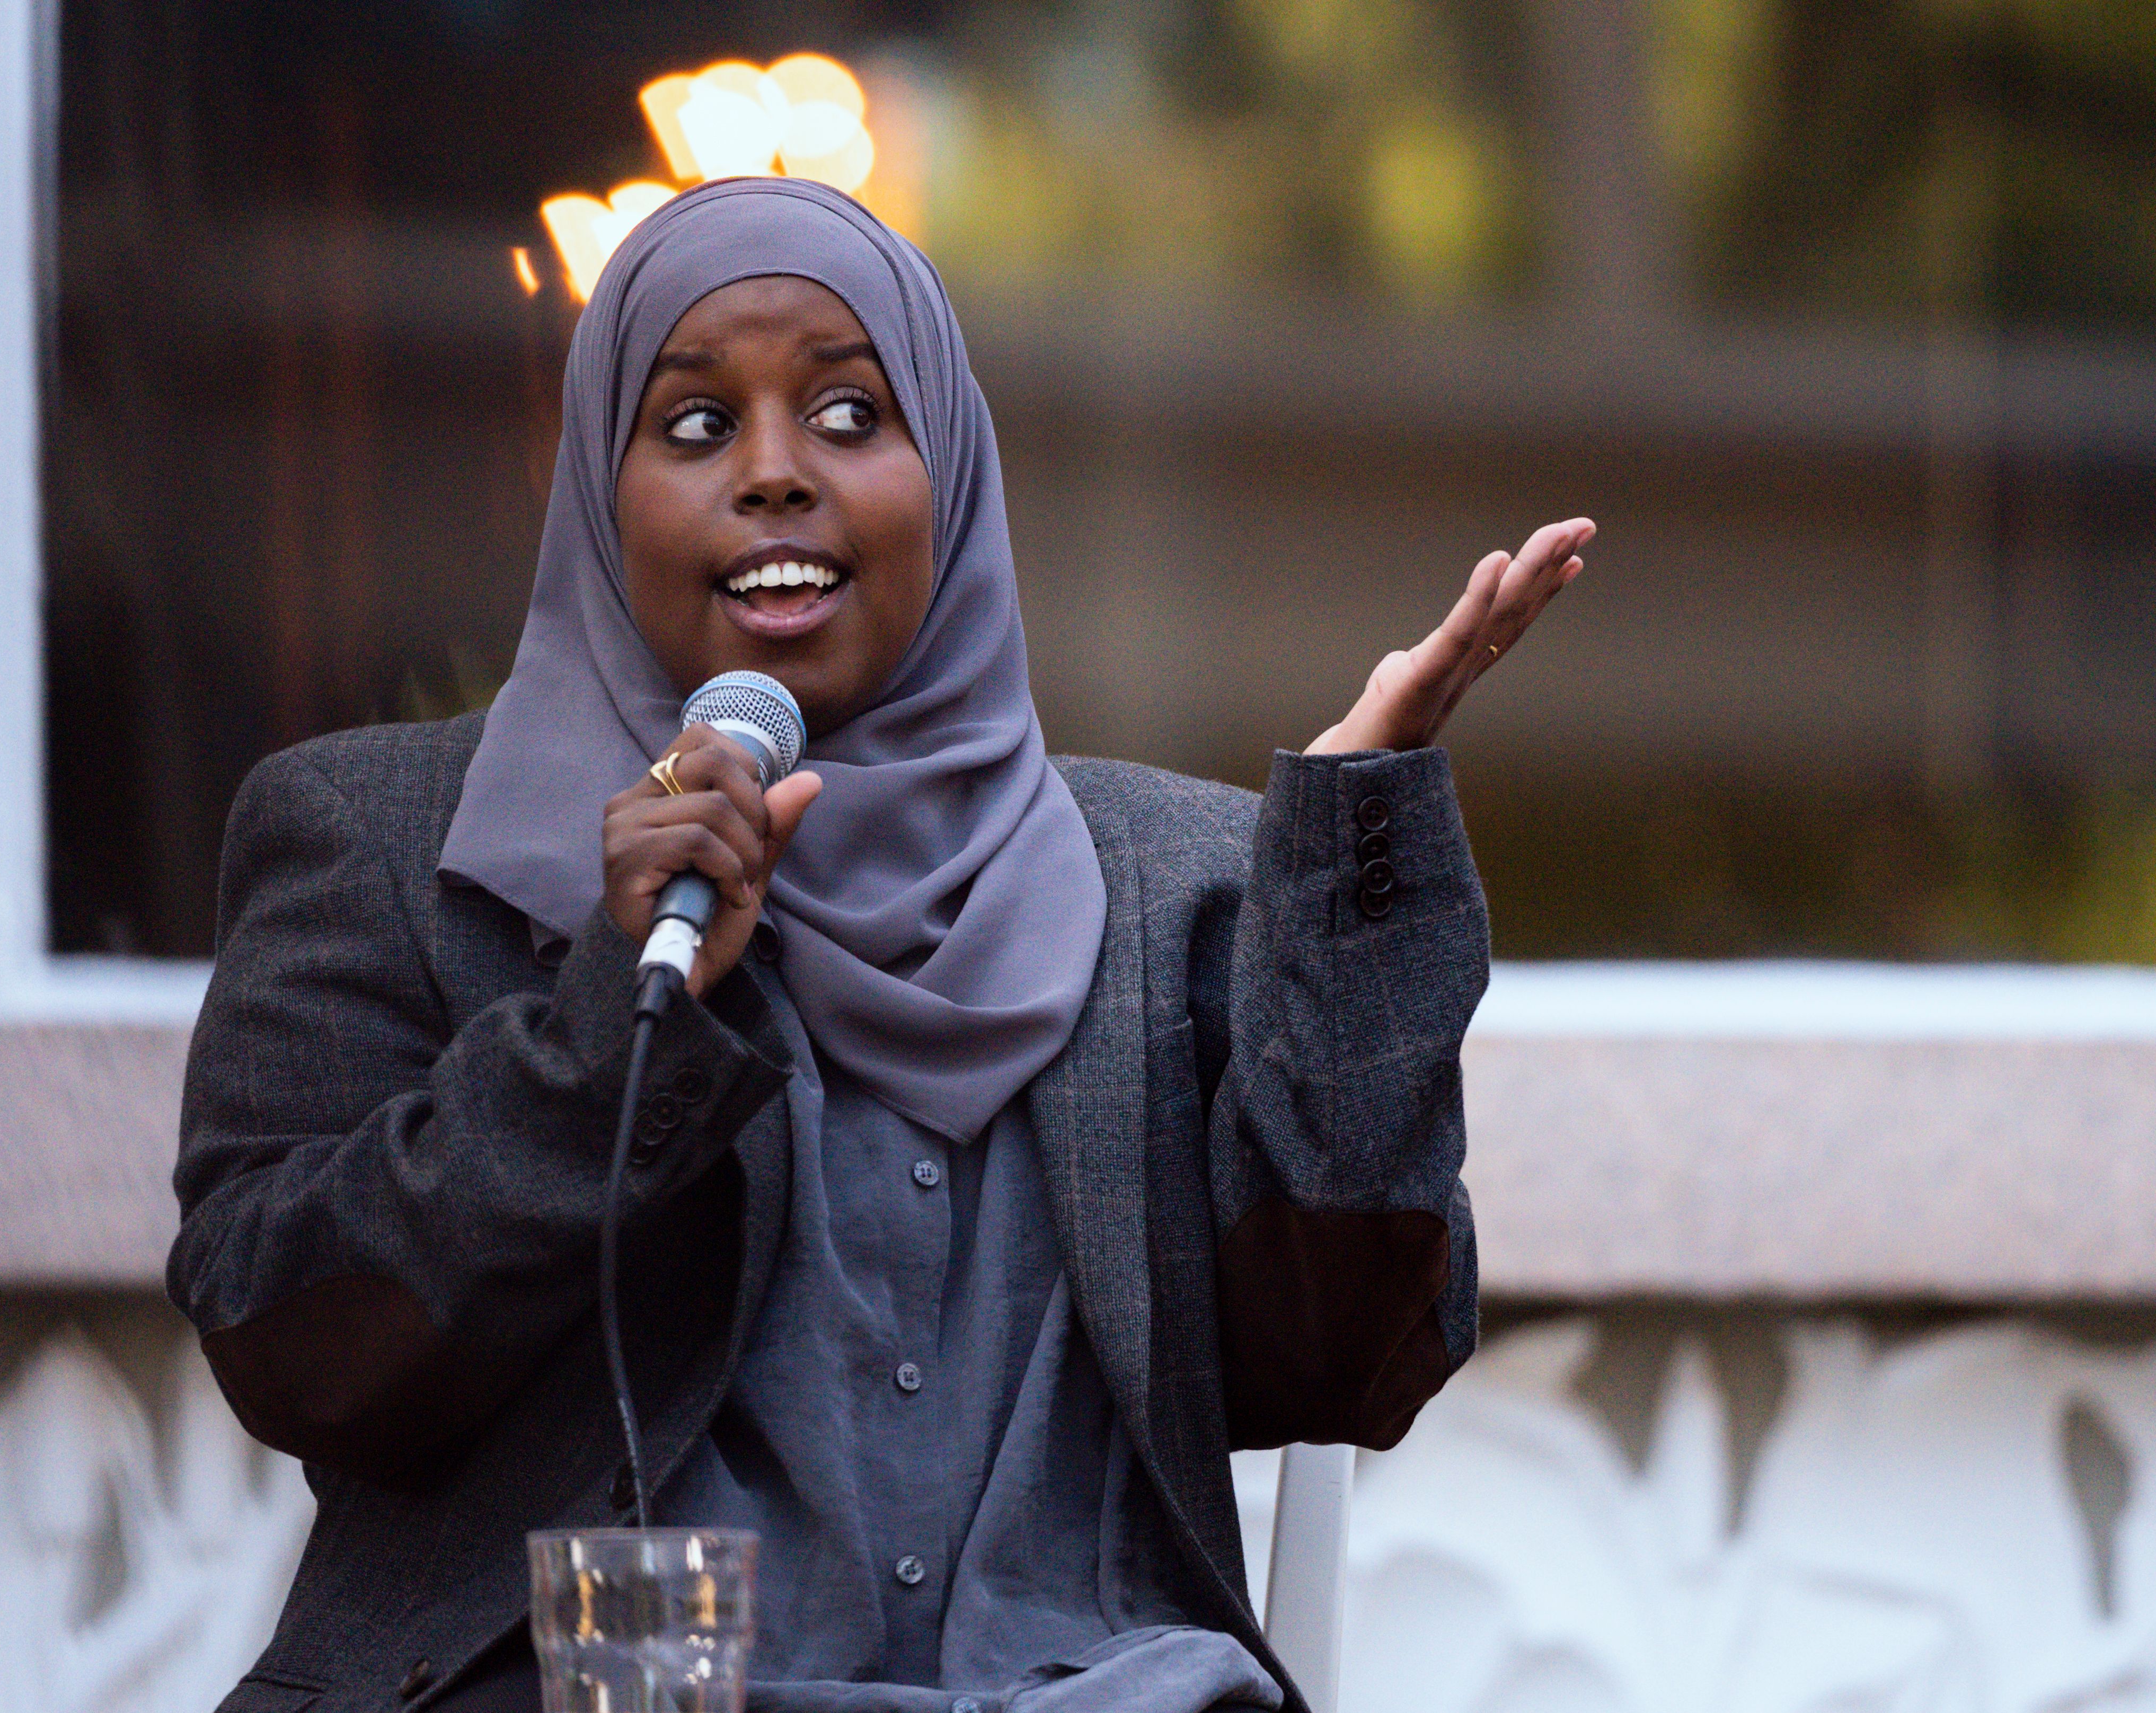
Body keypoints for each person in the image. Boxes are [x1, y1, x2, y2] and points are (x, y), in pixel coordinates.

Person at [169, 176, 1592, 1713]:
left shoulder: (1165, 879)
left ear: (953, 475)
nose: (776, 473)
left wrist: (1345, 845)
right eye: (695, 424)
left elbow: (1348, 1358)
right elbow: (294, 1344)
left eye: (850, 413)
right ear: (596, 490)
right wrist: (604, 1014)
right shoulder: (385, 838)